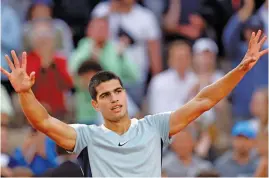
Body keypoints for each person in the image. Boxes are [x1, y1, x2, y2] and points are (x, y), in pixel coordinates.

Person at [0, 30, 267, 177]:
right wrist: (25, 92)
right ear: (95, 105)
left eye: (118, 91)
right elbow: (43, 122)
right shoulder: (87, 136)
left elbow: (204, 100)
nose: (114, 98)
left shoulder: (154, 126)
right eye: (105, 95)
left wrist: (241, 69)